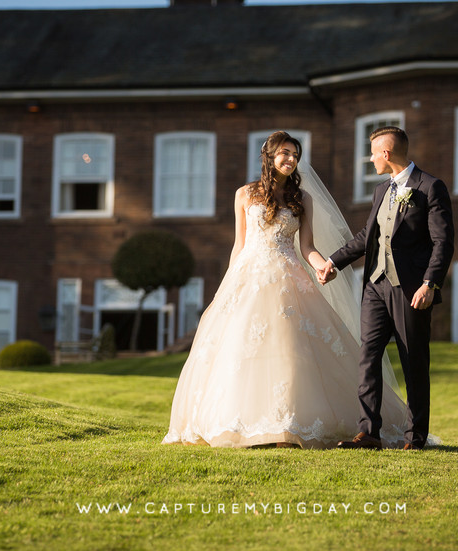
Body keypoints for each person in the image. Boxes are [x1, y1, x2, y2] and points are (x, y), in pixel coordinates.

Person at [164, 131, 411, 449]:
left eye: (295, 154)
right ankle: (246, 424)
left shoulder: (302, 199)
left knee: (291, 349)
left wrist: (324, 265)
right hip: (248, 278)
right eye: (284, 153)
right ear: (269, 156)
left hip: (288, 277)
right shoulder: (244, 194)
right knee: (242, 348)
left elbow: (306, 246)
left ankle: (288, 424)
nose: (291, 159)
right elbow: (239, 245)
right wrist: (227, 285)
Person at [319, 126, 454, 451]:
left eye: (373, 153)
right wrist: (333, 262)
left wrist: (430, 283)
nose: (370, 159)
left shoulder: (431, 187)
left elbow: (443, 241)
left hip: (411, 290)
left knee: (414, 361)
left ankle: (415, 437)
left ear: (386, 154)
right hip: (375, 288)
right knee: (368, 358)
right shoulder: (382, 191)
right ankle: (369, 433)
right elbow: (367, 236)